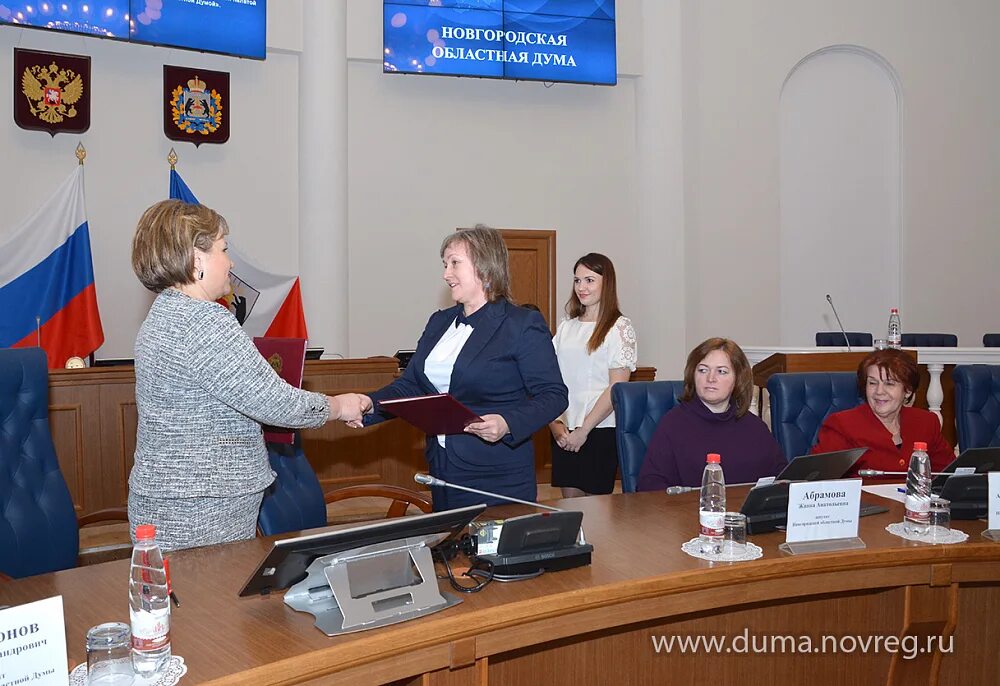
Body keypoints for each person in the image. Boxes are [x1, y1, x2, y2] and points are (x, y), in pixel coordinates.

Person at [129, 199, 367, 551]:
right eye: (224, 249)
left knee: (178, 602)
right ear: (197, 259)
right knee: (210, 603)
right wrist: (339, 406)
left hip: (173, 499)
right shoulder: (204, 321)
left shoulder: (164, 313)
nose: (231, 262)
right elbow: (276, 403)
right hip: (203, 506)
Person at [360, 225, 568, 510]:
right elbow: (411, 385)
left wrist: (508, 423)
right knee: (450, 552)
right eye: (445, 264)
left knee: (491, 554)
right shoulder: (439, 322)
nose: (446, 274)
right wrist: (368, 403)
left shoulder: (521, 325)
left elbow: (553, 395)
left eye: (455, 263)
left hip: (496, 473)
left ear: (485, 265)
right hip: (442, 468)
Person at [637, 338, 785, 490]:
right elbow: (649, 486)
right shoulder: (673, 424)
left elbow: (783, 480)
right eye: (703, 370)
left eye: (721, 371)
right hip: (689, 512)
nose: (711, 378)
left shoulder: (755, 427)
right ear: (692, 375)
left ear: (738, 379)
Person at [549, 253, 636, 497]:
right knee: (571, 510)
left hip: (598, 430)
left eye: (589, 280)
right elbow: (550, 380)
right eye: (577, 281)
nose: (581, 287)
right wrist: (555, 424)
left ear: (606, 283)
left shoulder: (619, 327)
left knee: (597, 516)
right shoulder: (567, 326)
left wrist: (583, 431)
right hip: (564, 431)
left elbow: (616, 388)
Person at [811, 348, 953, 474]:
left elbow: (949, 474)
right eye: (872, 383)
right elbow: (815, 478)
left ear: (908, 390)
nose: (879, 391)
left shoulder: (926, 422)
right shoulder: (842, 425)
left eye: (889, 384)